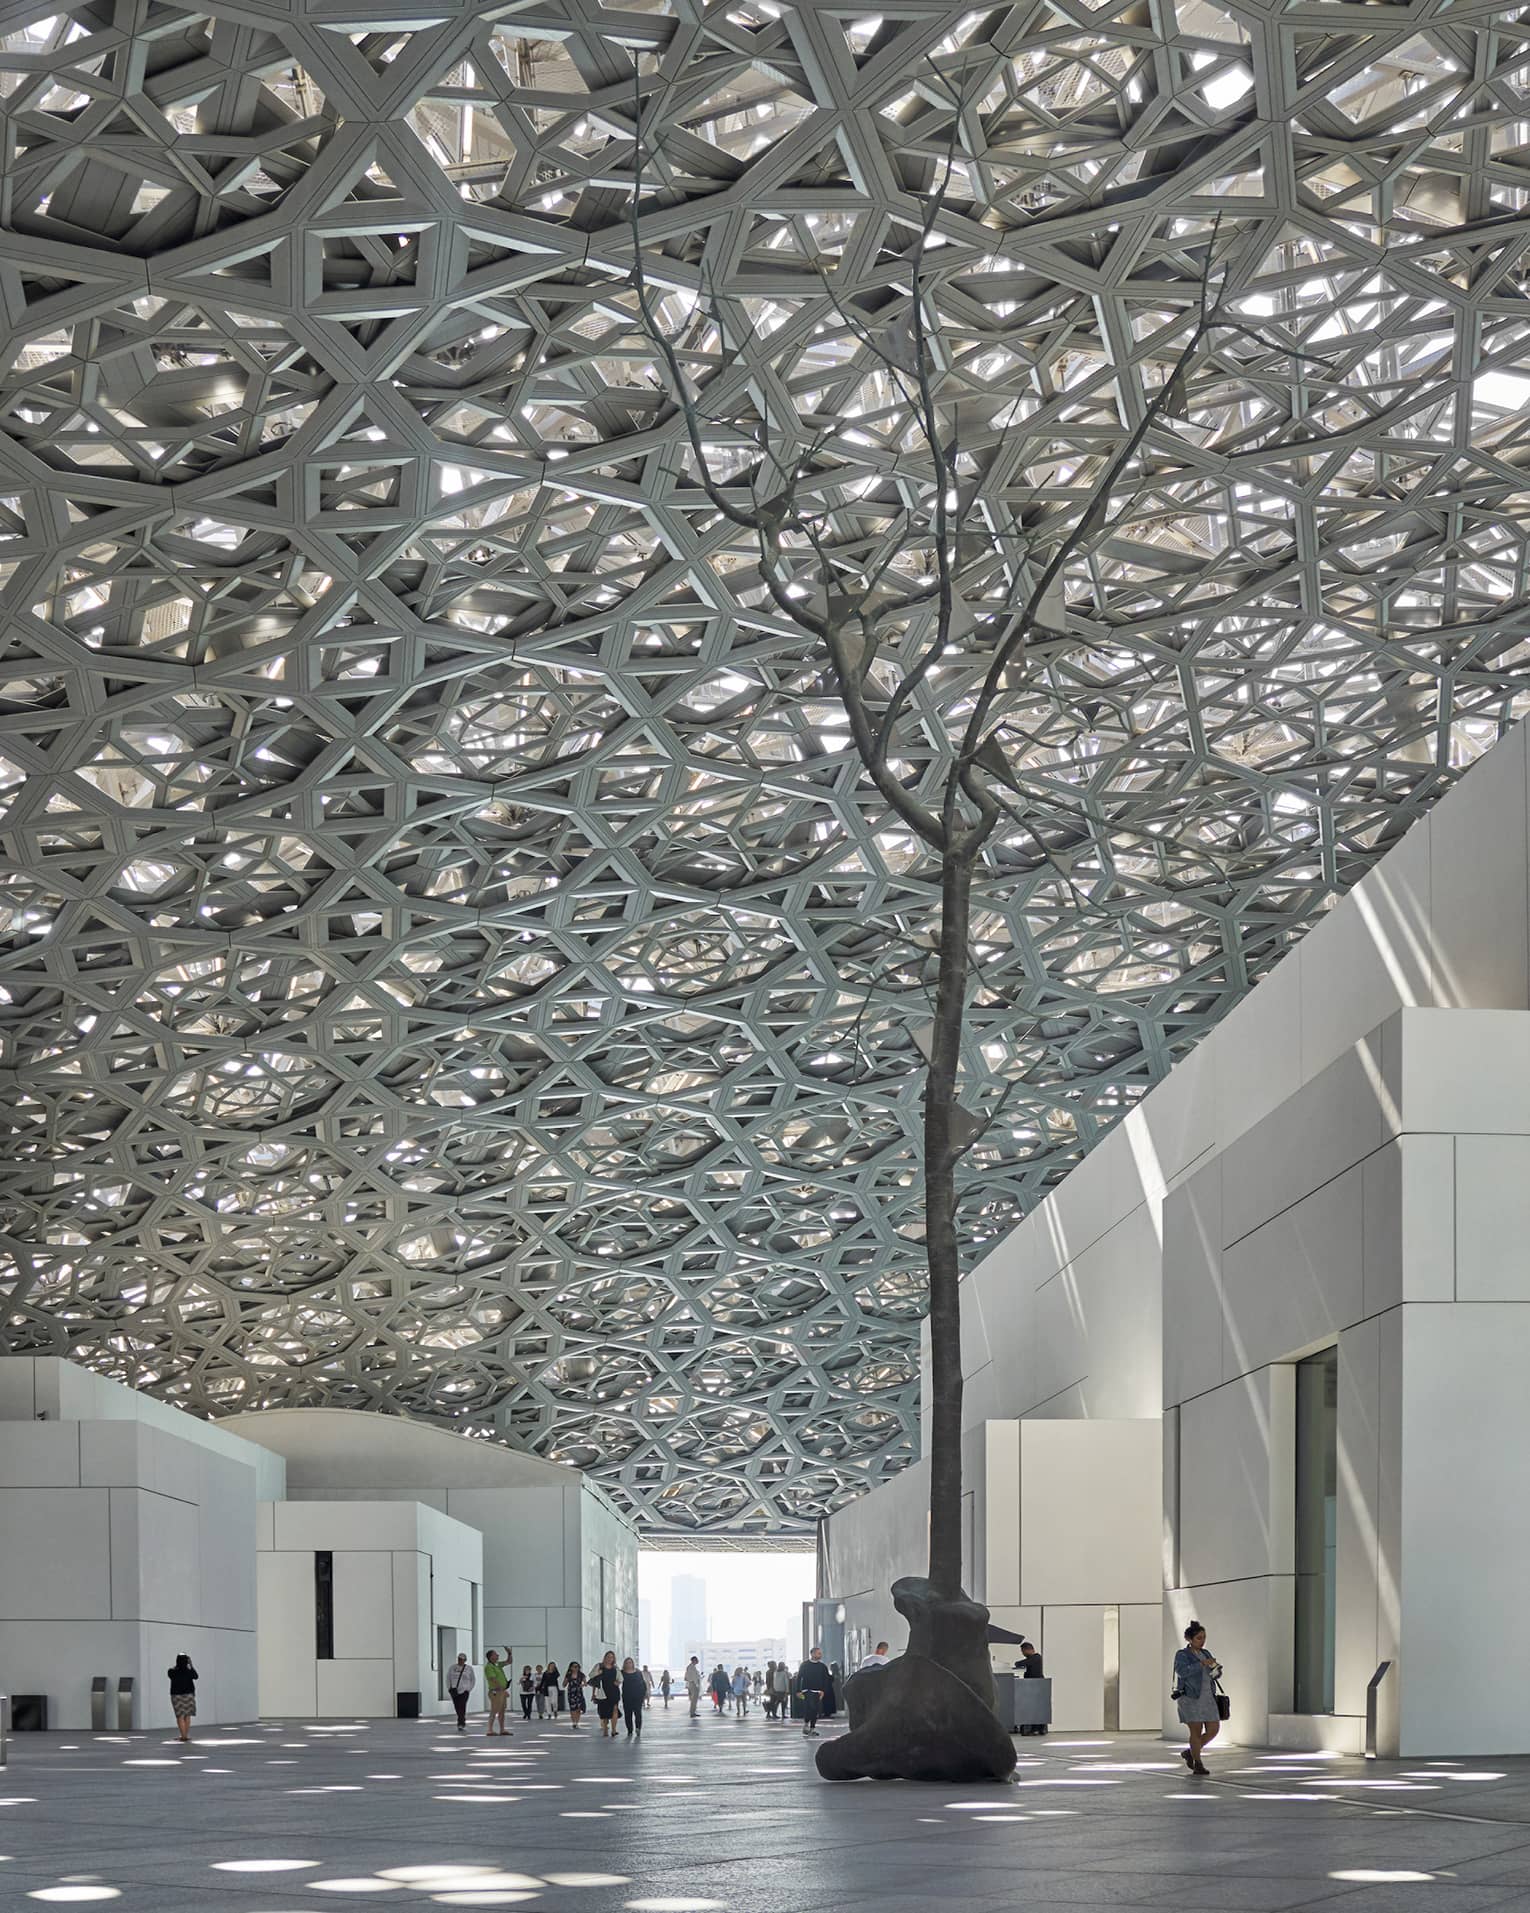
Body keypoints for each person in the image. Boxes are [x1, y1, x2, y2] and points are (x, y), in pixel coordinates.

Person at [1172, 1621, 1222, 1775]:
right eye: (1199, 1638)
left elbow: (1215, 1675)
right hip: (1190, 1697)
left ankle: (1190, 1752)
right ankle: (1198, 1763)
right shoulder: (1182, 1655)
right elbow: (1182, 1671)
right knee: (1196, 1730)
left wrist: (1216, 1669)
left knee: (1214, 1729)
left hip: (1208, 1696)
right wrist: (1201, 1664)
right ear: (1190, 1639)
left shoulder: (1206, 1653)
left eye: (1204, 1637)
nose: (1202, 1641)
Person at [795, 1646, 833, 1737]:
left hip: (818, 1692)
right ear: (812, 1654)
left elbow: (826, 1679)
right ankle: (807, 1725)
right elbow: (799, 1677)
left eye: (820, 1653)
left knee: (815, 1710)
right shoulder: (804, 1665)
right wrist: (798, 1690)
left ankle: (810, 1727)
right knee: (811, 1708)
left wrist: (823, 1691)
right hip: (807, 1691)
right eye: (818, 1653)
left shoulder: (822, 1666)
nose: (820, 1655)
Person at [1017, 1640, 1047, 1736]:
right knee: (1036, 1708)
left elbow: (1020, 1663)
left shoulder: (1036, 1658)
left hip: (1037, 1686)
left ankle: (1038, 1728)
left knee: (1037, 1708)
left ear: (1028, 1650)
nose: (1023, 1653)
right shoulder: (1035, 1659)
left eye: (1023, 1651)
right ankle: (1036, 1728)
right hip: (1034, 1685)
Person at [591, 1650, 621, 1739]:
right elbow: (591, 1675)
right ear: (605, 1658)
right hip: (602, 1692)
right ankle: (605, 1729)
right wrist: (598, 1672)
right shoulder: (599, 1666)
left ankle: (614, 1730)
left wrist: (618, 1682)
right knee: (604, 1712)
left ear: (613, 1659)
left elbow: (620, 1678)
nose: (609, 1659)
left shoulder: (615, 1668)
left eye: (611, 1657)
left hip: (614, 1691)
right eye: (608, 1657)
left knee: (614, 1709)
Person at [167, 1654, 198, 1742]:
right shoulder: (189, 1671)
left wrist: (178, 1665)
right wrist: (191, 1665)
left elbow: (171, 1675)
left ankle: (183, 1736)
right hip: (189, 1695)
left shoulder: (171, 1671)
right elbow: (196, 1676)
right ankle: (185, 1736)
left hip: (176, 1696)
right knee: (187, 1716)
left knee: (180, 1716)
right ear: (186, 1661)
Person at [483, 1650, 510, 1736]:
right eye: (496, 1654)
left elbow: (509, 1661)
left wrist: (509, 1653)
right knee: (494, 1710)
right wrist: (502, 1689)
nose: (498, 1655)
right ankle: (490, 1729)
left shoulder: (497, 1665)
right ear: (491, 1657)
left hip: (501, 1691)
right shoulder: (489, 1667)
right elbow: (492, 1679)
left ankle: (502, 1729)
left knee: (502, 1710)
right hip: (496, 1691)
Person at [447, 1652, 475, 1731]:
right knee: (457, 1706)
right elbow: (448, 1678)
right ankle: (461, 1719)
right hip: (454, 1691)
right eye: (459, 1659)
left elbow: (473, 1679)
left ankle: (461, 1723)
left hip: (464, 1691)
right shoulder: (452, 1668)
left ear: (465, 1660)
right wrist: (449, 1688)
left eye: (462, 1659)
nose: (460, 1661)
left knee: (462, 1705)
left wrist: (469, 1689)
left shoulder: (469, 1669)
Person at [621, 1656, 647, 1738]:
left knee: (638, 1713)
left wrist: (644, 1694)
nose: (629, 1664)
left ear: (633, 1663)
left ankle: (638, 1728)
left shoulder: (638, 1672)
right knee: (628, 1714)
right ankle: (630, 1730)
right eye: (627, 1663)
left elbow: (643, 1683)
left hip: (637, 1696)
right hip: (627, 1696)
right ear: (625, 1664)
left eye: (630, 1662)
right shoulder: (622, 1673)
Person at [564, 1660, 586, 1728]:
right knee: (572, 1708)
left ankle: (577, 1722)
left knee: (578, 1708)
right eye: (574, 1666)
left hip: (579, 1693)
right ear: (571, 1668)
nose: (576, 1668)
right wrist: (566, 1681)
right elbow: (564, 1684)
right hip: (571, 1693)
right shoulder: (568, 1675)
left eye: (577, 1666)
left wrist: (582, 1685)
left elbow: (585, 1683)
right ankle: (573, 1722)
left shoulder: (581, 1675)